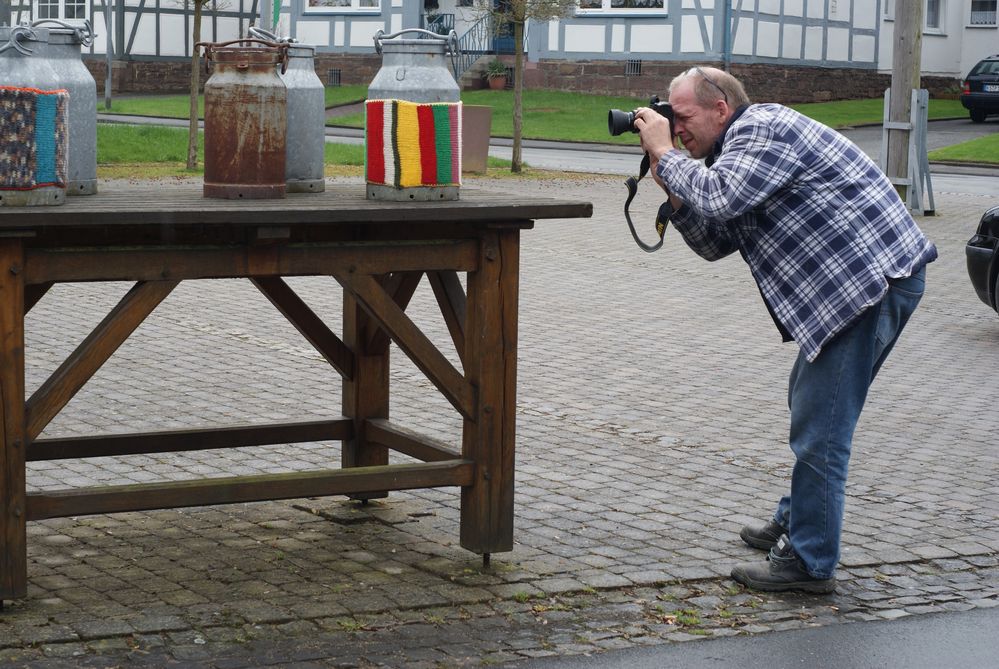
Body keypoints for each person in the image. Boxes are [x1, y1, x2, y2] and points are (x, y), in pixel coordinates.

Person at [633, 67, 937, 594]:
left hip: (869, 284)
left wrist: (669, 155)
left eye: (681, 117)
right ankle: (798, 520)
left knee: (821, 428)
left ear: (721, 108)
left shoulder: (763, 129)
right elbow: (714, 241)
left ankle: (809, 562)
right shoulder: (735, 154)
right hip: (857, 288)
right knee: (810, 404)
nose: (674, 127)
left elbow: (722, 197)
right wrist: (674, 187)